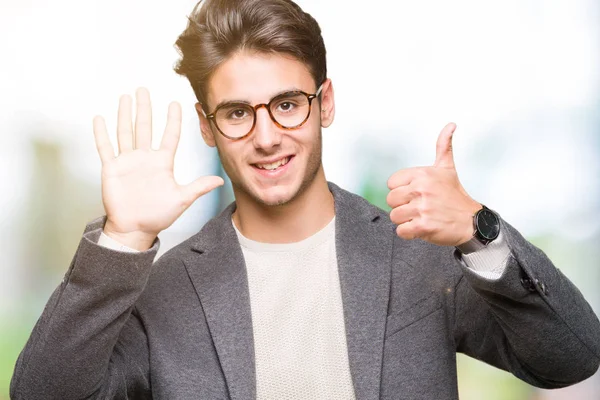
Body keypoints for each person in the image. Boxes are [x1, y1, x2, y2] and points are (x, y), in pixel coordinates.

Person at [10, 0, 600, 399]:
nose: (266, 136)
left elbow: (572, 357)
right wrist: (123, 239)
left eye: (287, 104)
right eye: (238, 113)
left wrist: (480, 228)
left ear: (326, 103)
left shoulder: (415, 256)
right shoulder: (163, 290)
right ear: (208, 127)